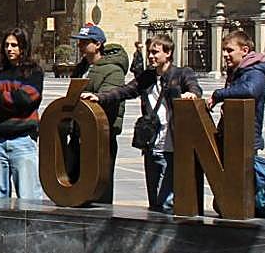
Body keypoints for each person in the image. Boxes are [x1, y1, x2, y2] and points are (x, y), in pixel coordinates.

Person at [86, 32, 201, 213]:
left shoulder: (181, 74)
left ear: (168, 53)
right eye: (149, 52)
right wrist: (99, 97)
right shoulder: (147, 77)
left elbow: (194, 86)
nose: (151, 56)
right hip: (151, 144)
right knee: (154, 201)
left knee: (168, 201)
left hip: (173, 145)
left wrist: (191, 93)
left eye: (155, 52)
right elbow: (124, 91)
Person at [64, 24, 129, 205]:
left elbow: (110, 98)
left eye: (85, 43)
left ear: (98, 44)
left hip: (100, 140)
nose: (80, 46)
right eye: (80, 42)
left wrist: (96, 97)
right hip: (78, 138)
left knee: (98, 194)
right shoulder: (81, 69)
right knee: (73, 190)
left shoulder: (113, 70)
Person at [0, 28, 44, 201]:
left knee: (28, 198)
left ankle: (31, 229)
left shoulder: (34, 72)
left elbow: (27, 99)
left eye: (15, 45)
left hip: (23, 140)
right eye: (7, 45)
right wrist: (12, 101)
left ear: (23, 48)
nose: (10, 49)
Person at [209, 29, 265, 151]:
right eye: (224, 50)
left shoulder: (256, 72)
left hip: (246, 139)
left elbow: (250, 90)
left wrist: (218, 94)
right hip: (233, 134)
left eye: (229, 50)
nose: (224, 54)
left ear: (244, 50)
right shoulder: (237, 71)